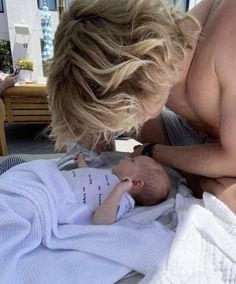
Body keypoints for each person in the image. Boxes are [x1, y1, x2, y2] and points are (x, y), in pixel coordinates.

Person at [47, 0, 236, 213]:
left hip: (228, 153)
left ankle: (194, 178)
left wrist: (154, 152)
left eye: (129, 112)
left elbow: (233, 159)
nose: (127, 123)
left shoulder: (228, 28)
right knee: (90, 135)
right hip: (191, 133)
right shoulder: (165, 66)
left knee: (225, 198)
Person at [63, 153, 170, 225]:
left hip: (59, 198)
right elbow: (87, 176)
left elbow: (101, 221)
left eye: (132, 161)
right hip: (57, 179)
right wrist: (81, 162)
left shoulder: (123, 199)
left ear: (136, 183)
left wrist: (119, 190)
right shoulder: (109, 175)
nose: (126, 157)